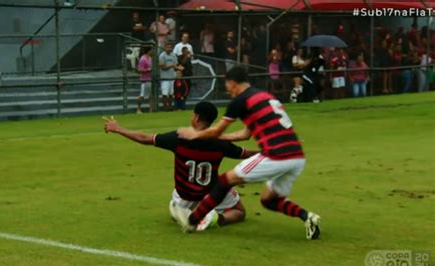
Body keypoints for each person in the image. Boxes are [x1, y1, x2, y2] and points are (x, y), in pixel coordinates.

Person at [176, 66, 321, 240]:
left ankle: (192, 220)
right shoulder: (263, 96)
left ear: (232, 82)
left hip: (276, 155)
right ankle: (308, 218)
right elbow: (244, 134)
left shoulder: (240, 101)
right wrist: (216, 137)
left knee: (224, 181)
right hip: (296, 157)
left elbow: (216, 131)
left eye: (227, 85)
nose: (228, 91)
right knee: (269, 200)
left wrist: (195, 135)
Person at [103, 102, 258, 231]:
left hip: (185, 194)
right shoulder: (221, 143)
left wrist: (118, 129)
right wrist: (269, 153)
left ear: (197, 118)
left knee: (176, 210)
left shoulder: (179, 138)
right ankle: (217, 218)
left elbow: (145, 139)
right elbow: (245, 153)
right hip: (211, 192)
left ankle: (186, 211)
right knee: (239, 212)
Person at [159, 42, 178, 111]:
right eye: (168, 47)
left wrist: (178, 68)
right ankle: (165, 107)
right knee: (165, 94)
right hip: (165, 78)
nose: (169, 48)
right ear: (165, 48)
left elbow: (176, 65)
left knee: (171, 93)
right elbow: (162, 66)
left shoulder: (173, 55)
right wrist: (171, 66)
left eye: (170, 47)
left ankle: (170, 107)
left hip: (172, 77)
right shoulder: (162, 55)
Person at [137, 47, 153, 114]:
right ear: (148, 51)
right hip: (144, 79)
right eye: (151, 50)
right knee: (142, 95)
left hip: (150, 79)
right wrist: (147, 70)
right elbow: (139, 69)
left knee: (150, 95)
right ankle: (138, 109)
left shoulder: (150, 58)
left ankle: (151, 110)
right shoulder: (143, 59)